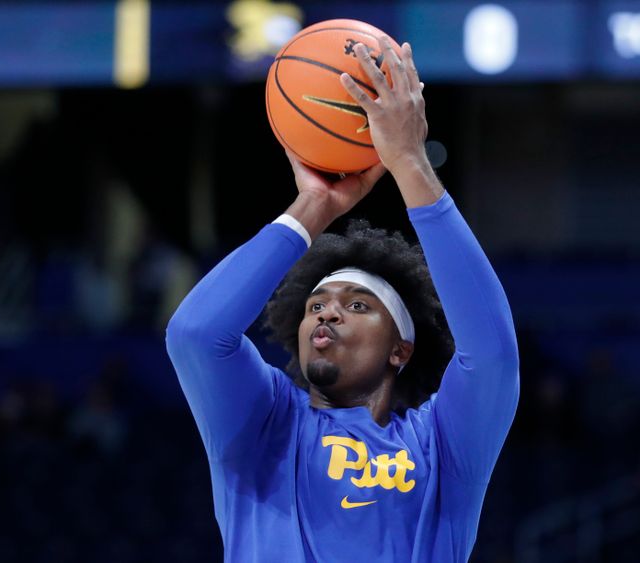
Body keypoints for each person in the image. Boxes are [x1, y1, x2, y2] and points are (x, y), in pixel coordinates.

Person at [166, 37, 519, 562]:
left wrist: (410, 165)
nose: (327, 311)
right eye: (316, 305)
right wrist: (313, 205)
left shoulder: (443, 444)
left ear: (401, 349)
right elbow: (196, 335)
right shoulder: (266, 421)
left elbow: (491, 355)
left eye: (358, 305)